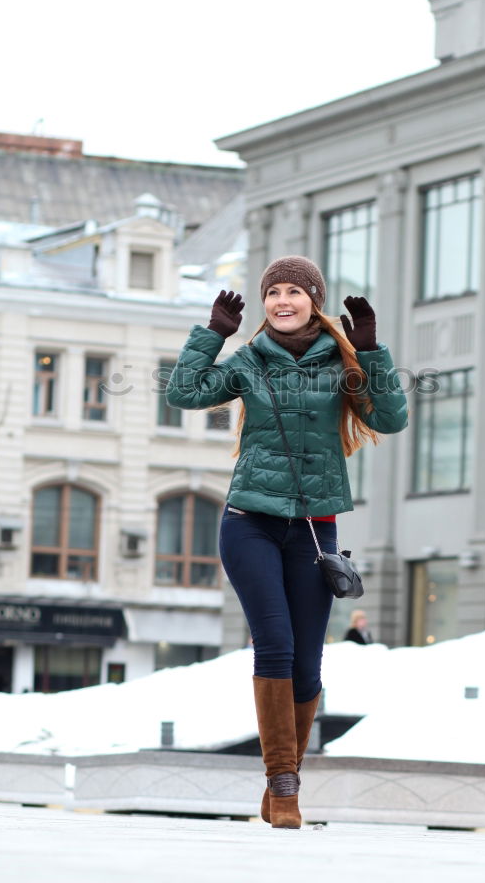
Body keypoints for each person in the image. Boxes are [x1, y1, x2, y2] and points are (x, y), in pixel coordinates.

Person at [166, 255, 408, 829]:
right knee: (273, 643)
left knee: (308, 661)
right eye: (273, 290)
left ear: (313, 301)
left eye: (294, 291)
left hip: (314, 529)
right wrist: (213, 335)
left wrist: (371, 350)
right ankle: (284, 783)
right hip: (248, 519)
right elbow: (182, 393)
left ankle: (282, 785)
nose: (282, 299)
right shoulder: (248, 360)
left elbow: (392, 418)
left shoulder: (344, 363)